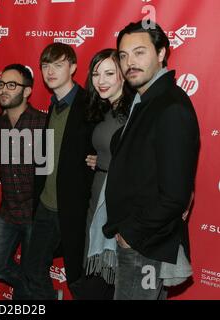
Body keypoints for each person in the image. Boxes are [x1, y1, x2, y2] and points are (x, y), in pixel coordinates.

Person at [103, 20, 200, 300]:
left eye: (139, 52)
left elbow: (175, 196)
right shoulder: (145, 101)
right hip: (141, 241)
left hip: (145, 245)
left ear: (161, 54)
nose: (129, 62)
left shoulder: (170, 107)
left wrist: (131, 233)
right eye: (123, 55)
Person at [24, 43, 95, 299]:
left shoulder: (90, 105)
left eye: (58, 64)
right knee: (33, 268)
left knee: (79, 278)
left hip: (74, 210)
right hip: (46, 205)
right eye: (45, 65)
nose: (50, 71)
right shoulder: (54, 105)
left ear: (73, 67)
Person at [0, 64, 46, 300]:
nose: (4, 90)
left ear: (27, 91)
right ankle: (36, 291)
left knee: (33, 271)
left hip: (35, 213)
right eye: (2, 84)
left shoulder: (42, 122)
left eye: (12, 85)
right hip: (8, 212)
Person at [80, 48, 133, 299]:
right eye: (96, 74)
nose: (101, 81)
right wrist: (100, 160)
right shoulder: (107, 109)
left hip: (118, 207)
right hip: (97, 202)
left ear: (123, 74)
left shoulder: (134, 112)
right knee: (96, 282)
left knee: (111, 284)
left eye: (109, 73)